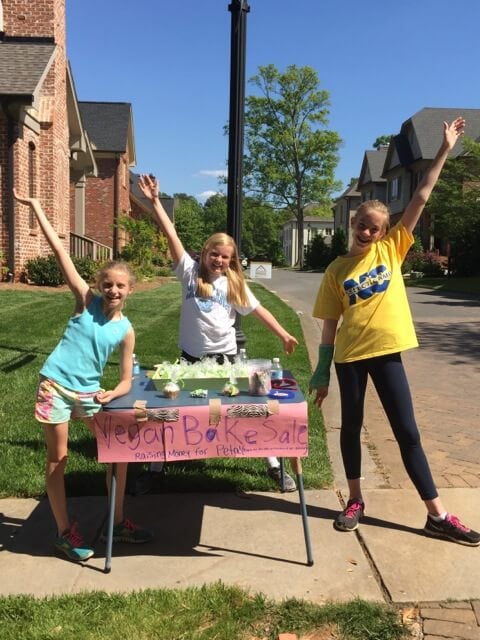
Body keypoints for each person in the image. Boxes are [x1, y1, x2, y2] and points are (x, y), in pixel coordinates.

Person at [309, 118, 480, 546]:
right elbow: (330, 323)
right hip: (349, 358)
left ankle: (437, 515)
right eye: (362, 225)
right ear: (353, 224)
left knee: (407, 431)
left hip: (387, 354)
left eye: (375, 228)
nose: (367, 232)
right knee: (351, 427)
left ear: (384, 233)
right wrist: (321, 370)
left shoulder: (392, 249)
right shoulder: (337, 270)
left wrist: (443, 149)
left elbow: (422, 194)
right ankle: (354, 500)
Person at [14, 191, 153, 562]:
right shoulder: (86, 301)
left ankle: (118, 522)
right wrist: (38, 208)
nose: (113, 290)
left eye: (121, 286)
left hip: (90, 394)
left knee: (118, 453)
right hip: (56, 387)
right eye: (108, 284)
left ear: (130, 291)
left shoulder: (126, 330)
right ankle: (63, 533)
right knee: (58, 459)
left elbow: (125, 379)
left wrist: (113, 393)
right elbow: (62, 254)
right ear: (99, 285)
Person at [137, 174, 299, 492]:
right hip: (190, 358)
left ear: (231, 260)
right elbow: (171, 234)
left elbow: (260, 310)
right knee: (172, 409)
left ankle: (274, 466)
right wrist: (155, 201)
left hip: (225, 360)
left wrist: (283, 334)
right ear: (204, 252)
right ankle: (156, 468)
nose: (219, 260)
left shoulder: (235, 284)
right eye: (214, 254)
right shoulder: (188, 272)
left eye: (225, 257)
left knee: (246, 412)